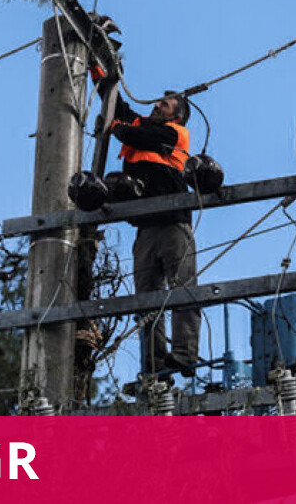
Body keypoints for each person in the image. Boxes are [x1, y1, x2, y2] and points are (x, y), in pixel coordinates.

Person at [108, 91, 199, 377]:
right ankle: (153, 364)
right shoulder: (144, 125)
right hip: (146, 227)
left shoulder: (175, 133)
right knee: (147, 299)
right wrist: (102, 74)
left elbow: (136, 135)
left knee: (182, 288)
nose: (157, 105)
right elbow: (118, 107)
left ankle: (184, 354)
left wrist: (116, 128)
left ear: (177, 115)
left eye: (165, 104)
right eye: (159, 101)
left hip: (173, 223)